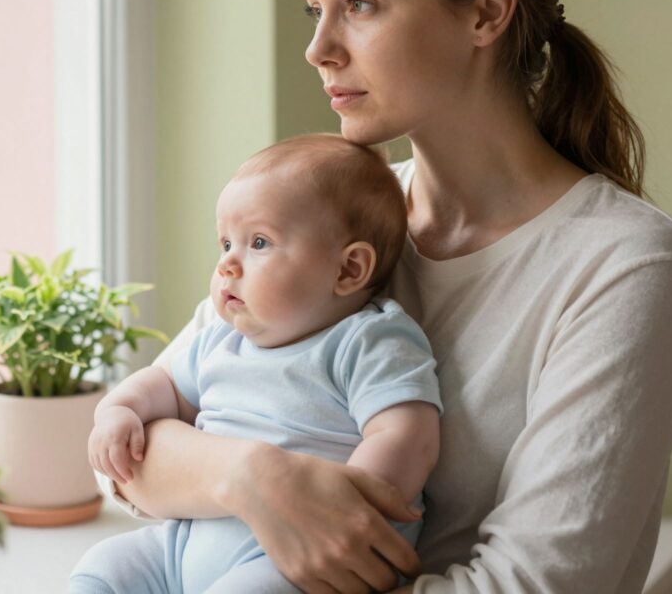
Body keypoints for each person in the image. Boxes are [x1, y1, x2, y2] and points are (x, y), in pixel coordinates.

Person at [100, 0, 672, 594]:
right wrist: (257, 477)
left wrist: (221, 483)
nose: (318, 49)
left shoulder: (625, 265)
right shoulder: (322, 222)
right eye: (316, 9)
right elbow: (129, 472)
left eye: (359, 4)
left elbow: (535, 585)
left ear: (485, 12)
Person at [71, 134, 443, 594]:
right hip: (184, 546)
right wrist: (119, 410)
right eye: (225, 242)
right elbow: (163, 384)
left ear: (348, 271)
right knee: (104, 565)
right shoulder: (223, 340)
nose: (228, 263)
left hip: (292, 559)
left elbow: (407, 434)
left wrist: (348, 507)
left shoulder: (367, 339)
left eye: (259, 242)